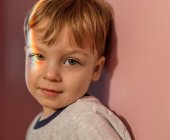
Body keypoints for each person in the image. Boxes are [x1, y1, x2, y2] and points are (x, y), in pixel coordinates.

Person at [24, 0, 131, 139]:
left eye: (71, 61)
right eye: (38, 56)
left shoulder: (85, 121)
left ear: (96, 69)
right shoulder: (36, 124)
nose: (51, 75)